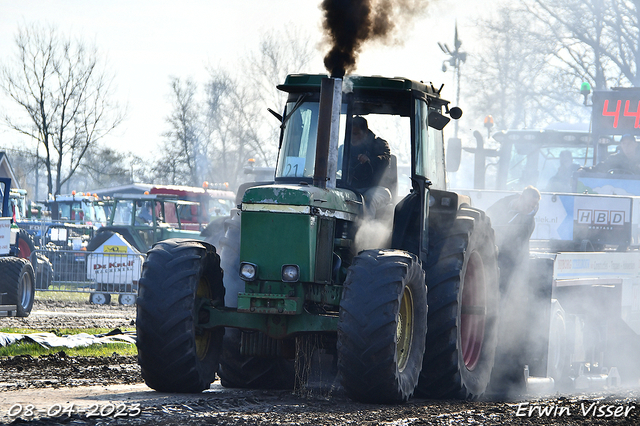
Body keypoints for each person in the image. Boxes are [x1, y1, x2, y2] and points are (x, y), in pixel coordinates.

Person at [486, 185, 541, 291]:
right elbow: (488, 214)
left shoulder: (528, 223)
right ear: (520, 198)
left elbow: (516, 247)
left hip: (508, 258)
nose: (529, 209)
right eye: (527, 205)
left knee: (501, 287)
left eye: (532, 207)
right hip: (490, 247)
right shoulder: (504, 203)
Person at [348, 116, 392, 218]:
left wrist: (370, 160)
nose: (352, 137)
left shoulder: (380, 145)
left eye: (355, 133)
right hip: (352, 188)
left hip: (378, 188)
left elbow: (385, 160)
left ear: (365, 133)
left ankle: (365, 231)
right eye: (350, 133)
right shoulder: (345, 148)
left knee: (369, 199)